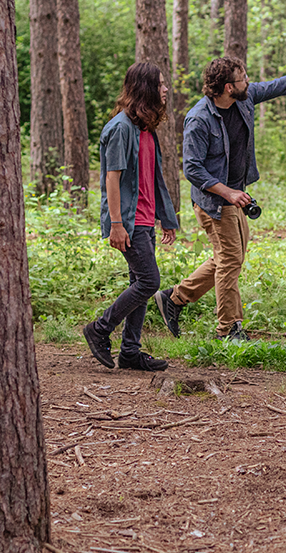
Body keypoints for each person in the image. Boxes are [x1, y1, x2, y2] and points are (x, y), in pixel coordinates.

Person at [154, 56, 286, 340]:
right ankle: (228, 330)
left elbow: (281, 85)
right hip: (213, 201)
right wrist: (228, 192)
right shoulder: (199, 118)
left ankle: (174, 299)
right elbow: (193, 170)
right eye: (242, 78)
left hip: (236, 196)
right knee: (230, 261)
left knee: (230, 258)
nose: (248, 81)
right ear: (227, 87)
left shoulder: (244, 99)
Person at [81, 62, 180, 371]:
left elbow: (153, 179)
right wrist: (116, 224)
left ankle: (130, 352)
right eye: (161, 84)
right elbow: (112, 178)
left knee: (140, 281)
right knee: (150, 281)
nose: (165, 89)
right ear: (145, 89)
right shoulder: (121, 127)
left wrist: (165, 217)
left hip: (145, 219)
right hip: (127, 220)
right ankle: (99, 329)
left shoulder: (145, 129)